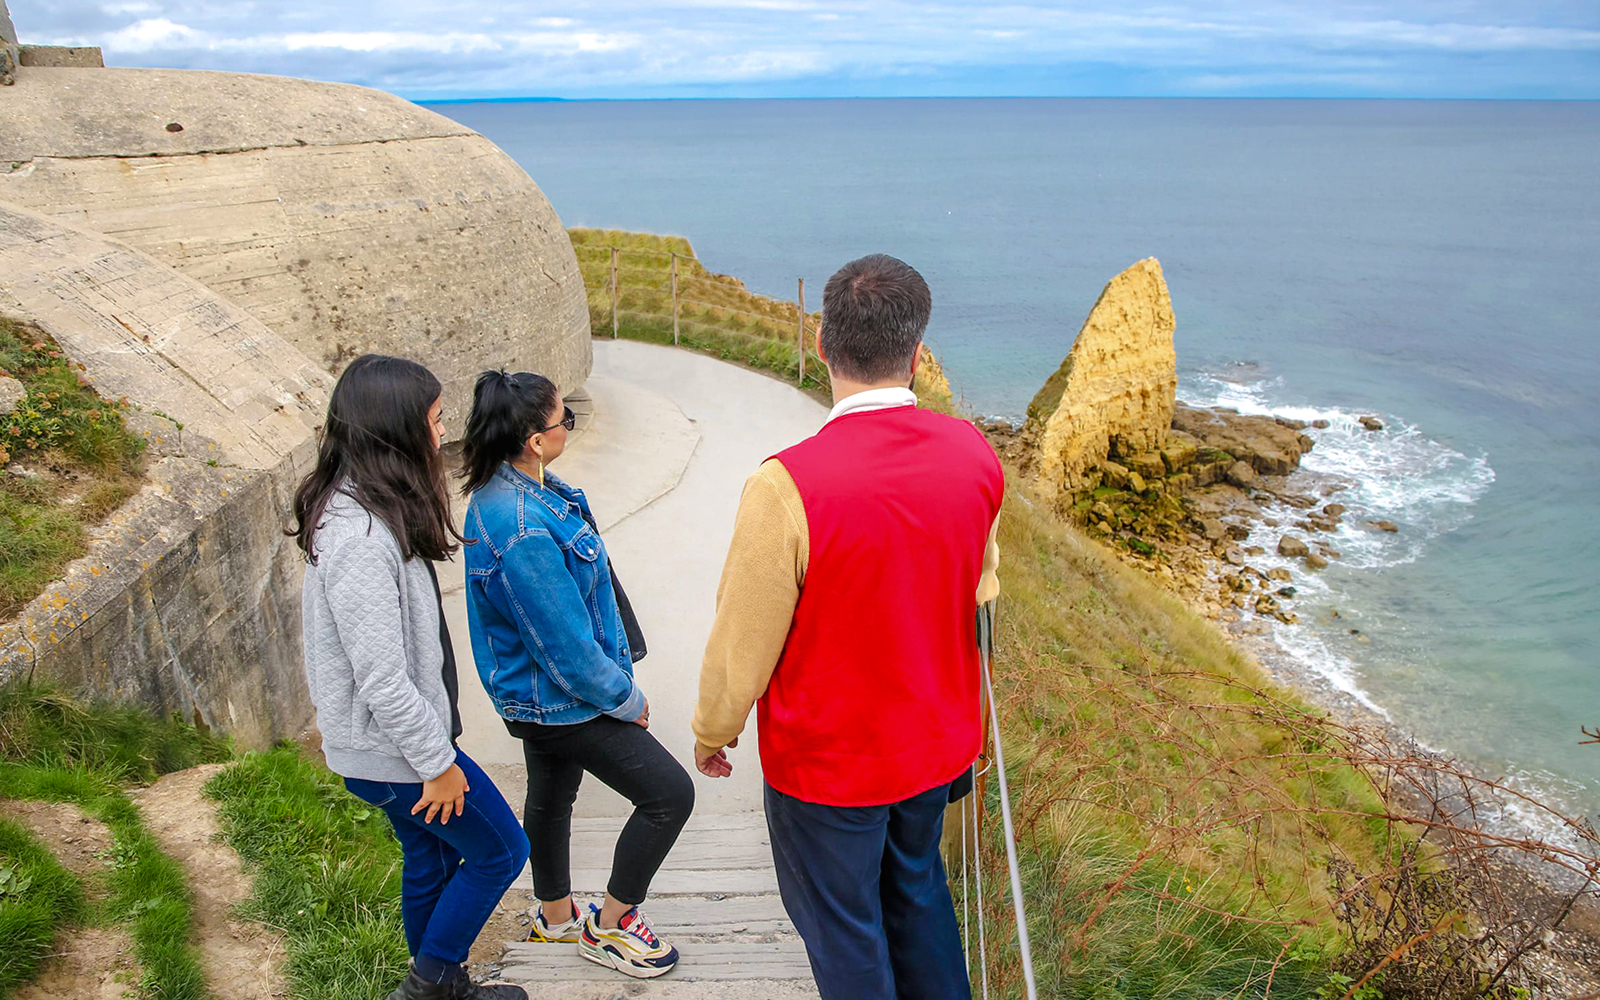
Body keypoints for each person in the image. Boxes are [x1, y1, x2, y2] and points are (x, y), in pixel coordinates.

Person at [693, 254, 1003, 1000]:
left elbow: (745, 636)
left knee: (844, 928)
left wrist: (714, 728)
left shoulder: (786, 484)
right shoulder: (975, 456)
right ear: (919, 355)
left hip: (829, 764)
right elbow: (982, 594)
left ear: (823, 347)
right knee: (918, 895)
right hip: (933, 743)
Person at [292, 354, 529, 1000]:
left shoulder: (364, 508)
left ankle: (445, 983)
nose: (440, 433)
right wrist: (436, 760)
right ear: (394, 432)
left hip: (386, 748)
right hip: (394, 752)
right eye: (433, 420)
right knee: (501, 851)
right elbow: (383, 679)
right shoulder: (360, 537)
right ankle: (429, 984)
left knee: (432, 855)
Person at [457, 370, 693, 980]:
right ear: (535, 439)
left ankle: (556, 916)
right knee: (669, 795)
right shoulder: (522, 524)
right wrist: (625, 698)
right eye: (565, 419)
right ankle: (610, 927)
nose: (569, 426)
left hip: (537, 700)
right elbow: (563, 647)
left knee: (552, 798)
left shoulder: (521, 492)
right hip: (561, 702)